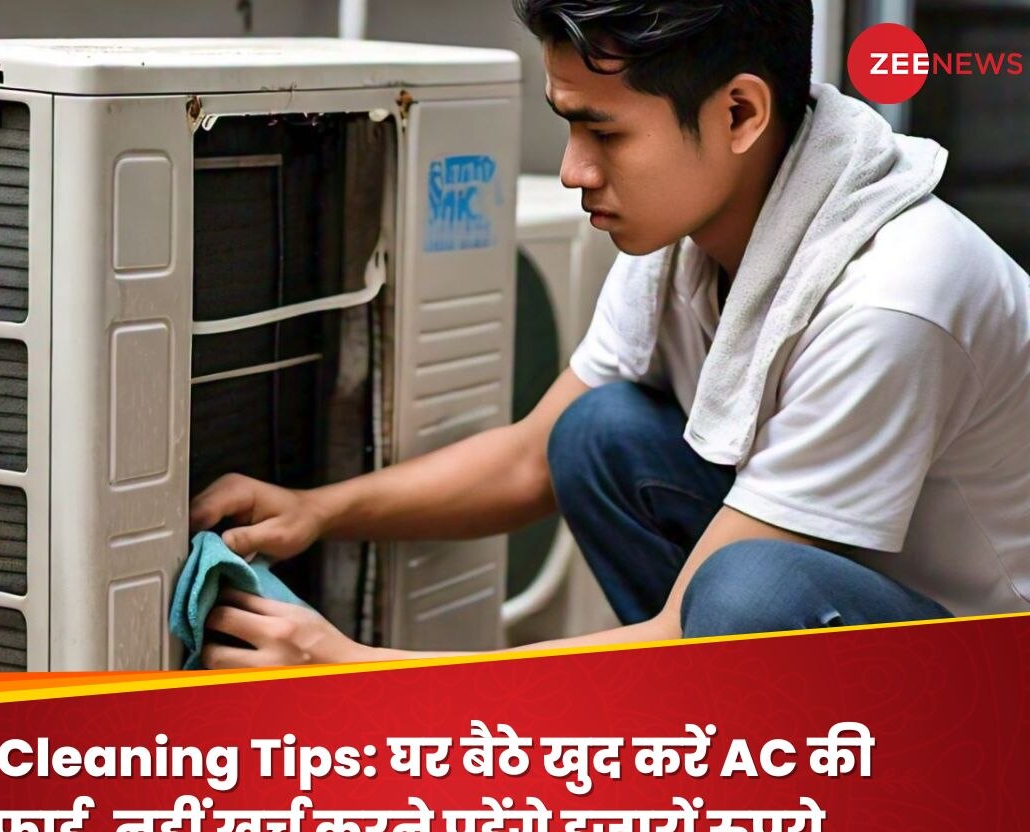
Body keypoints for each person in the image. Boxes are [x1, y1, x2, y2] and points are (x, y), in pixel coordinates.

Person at [189, 0, 1030, 669]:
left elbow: (693, 622)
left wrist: (361, 674)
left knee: (744, 593)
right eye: (569, 124)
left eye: (605, 131)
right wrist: (315, 512)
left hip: (985, 683)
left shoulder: (892, 301)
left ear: (739, 112)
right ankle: (709, 732)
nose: (573, 170)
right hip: (864, 610)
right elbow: (533, 455)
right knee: (601, 436)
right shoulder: (695, 221)